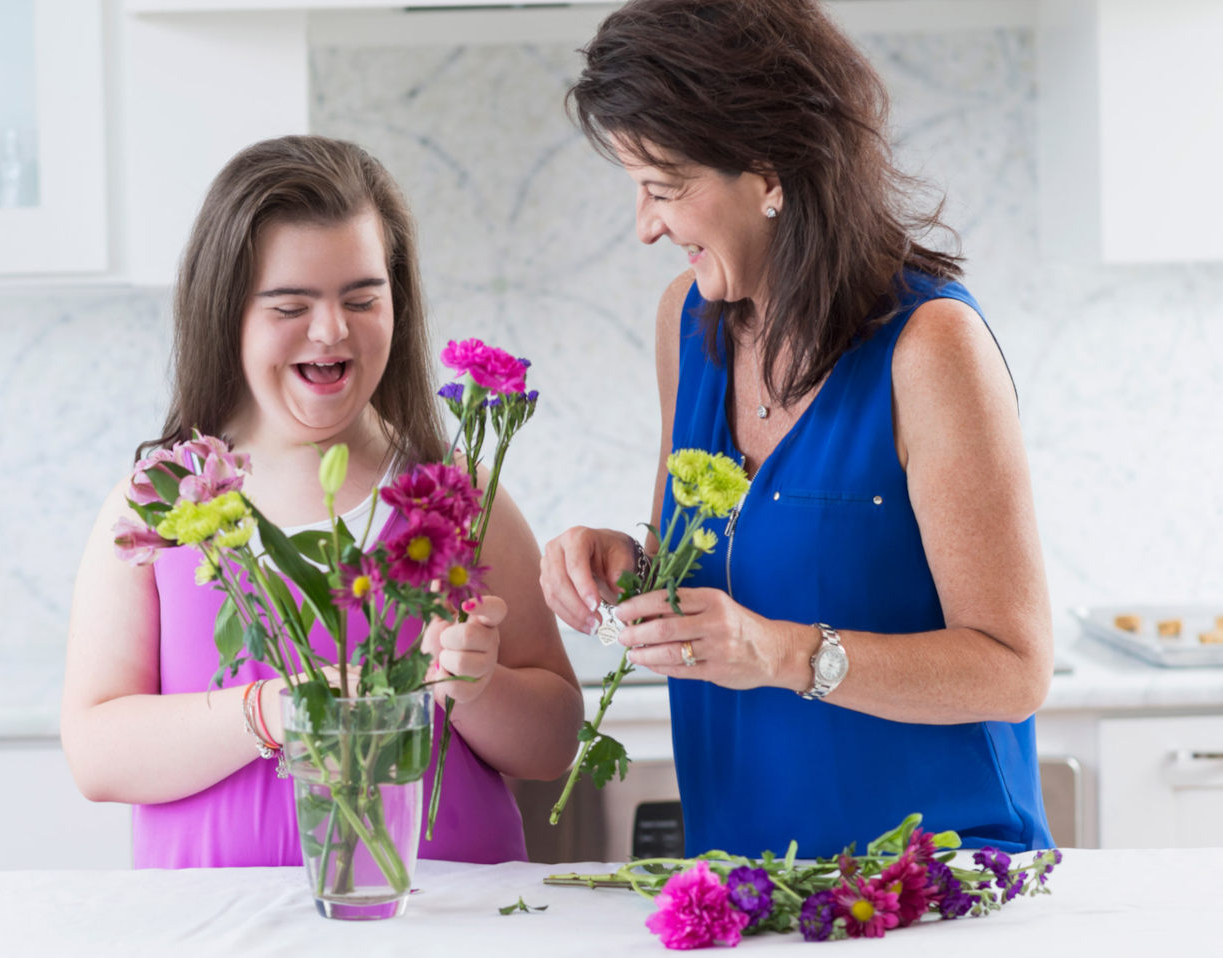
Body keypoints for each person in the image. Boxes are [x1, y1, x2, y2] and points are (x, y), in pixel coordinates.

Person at [540, 0, 1055, 859]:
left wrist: (781, 654)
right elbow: (727, 562)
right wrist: (631, 569)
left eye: (664, 188)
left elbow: (1013, 669)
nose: (645, 226)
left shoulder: (930, 350)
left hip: (932, 882)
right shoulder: (688, 325)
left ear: (769, 169)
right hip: (748, 880)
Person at [62, 135, 583, 868]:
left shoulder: (459, 497)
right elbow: (96, 753)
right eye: (291, 305)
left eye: (362, 298)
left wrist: (480, 687)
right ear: (227, 314)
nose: (332, 330)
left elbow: (554, 744)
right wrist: (276, 710)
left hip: (445, 931)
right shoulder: (158, 506)